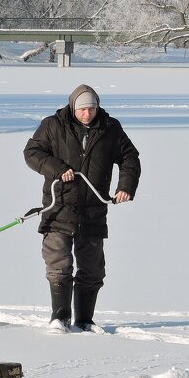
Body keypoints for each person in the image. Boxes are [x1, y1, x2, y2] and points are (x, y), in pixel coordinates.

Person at [23, 84, 140, 334]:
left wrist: (125, 187)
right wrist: (57, 168)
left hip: (94, 209)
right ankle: (60, 318)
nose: (88, 114)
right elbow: (32, 152)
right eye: (83, 109)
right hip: (59, 207)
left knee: (92, 267)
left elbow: (130, 157)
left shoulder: (110, 128)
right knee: (59, 263)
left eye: (92, 108)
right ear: (73, 107)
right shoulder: (53, 125)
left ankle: (85, 320)